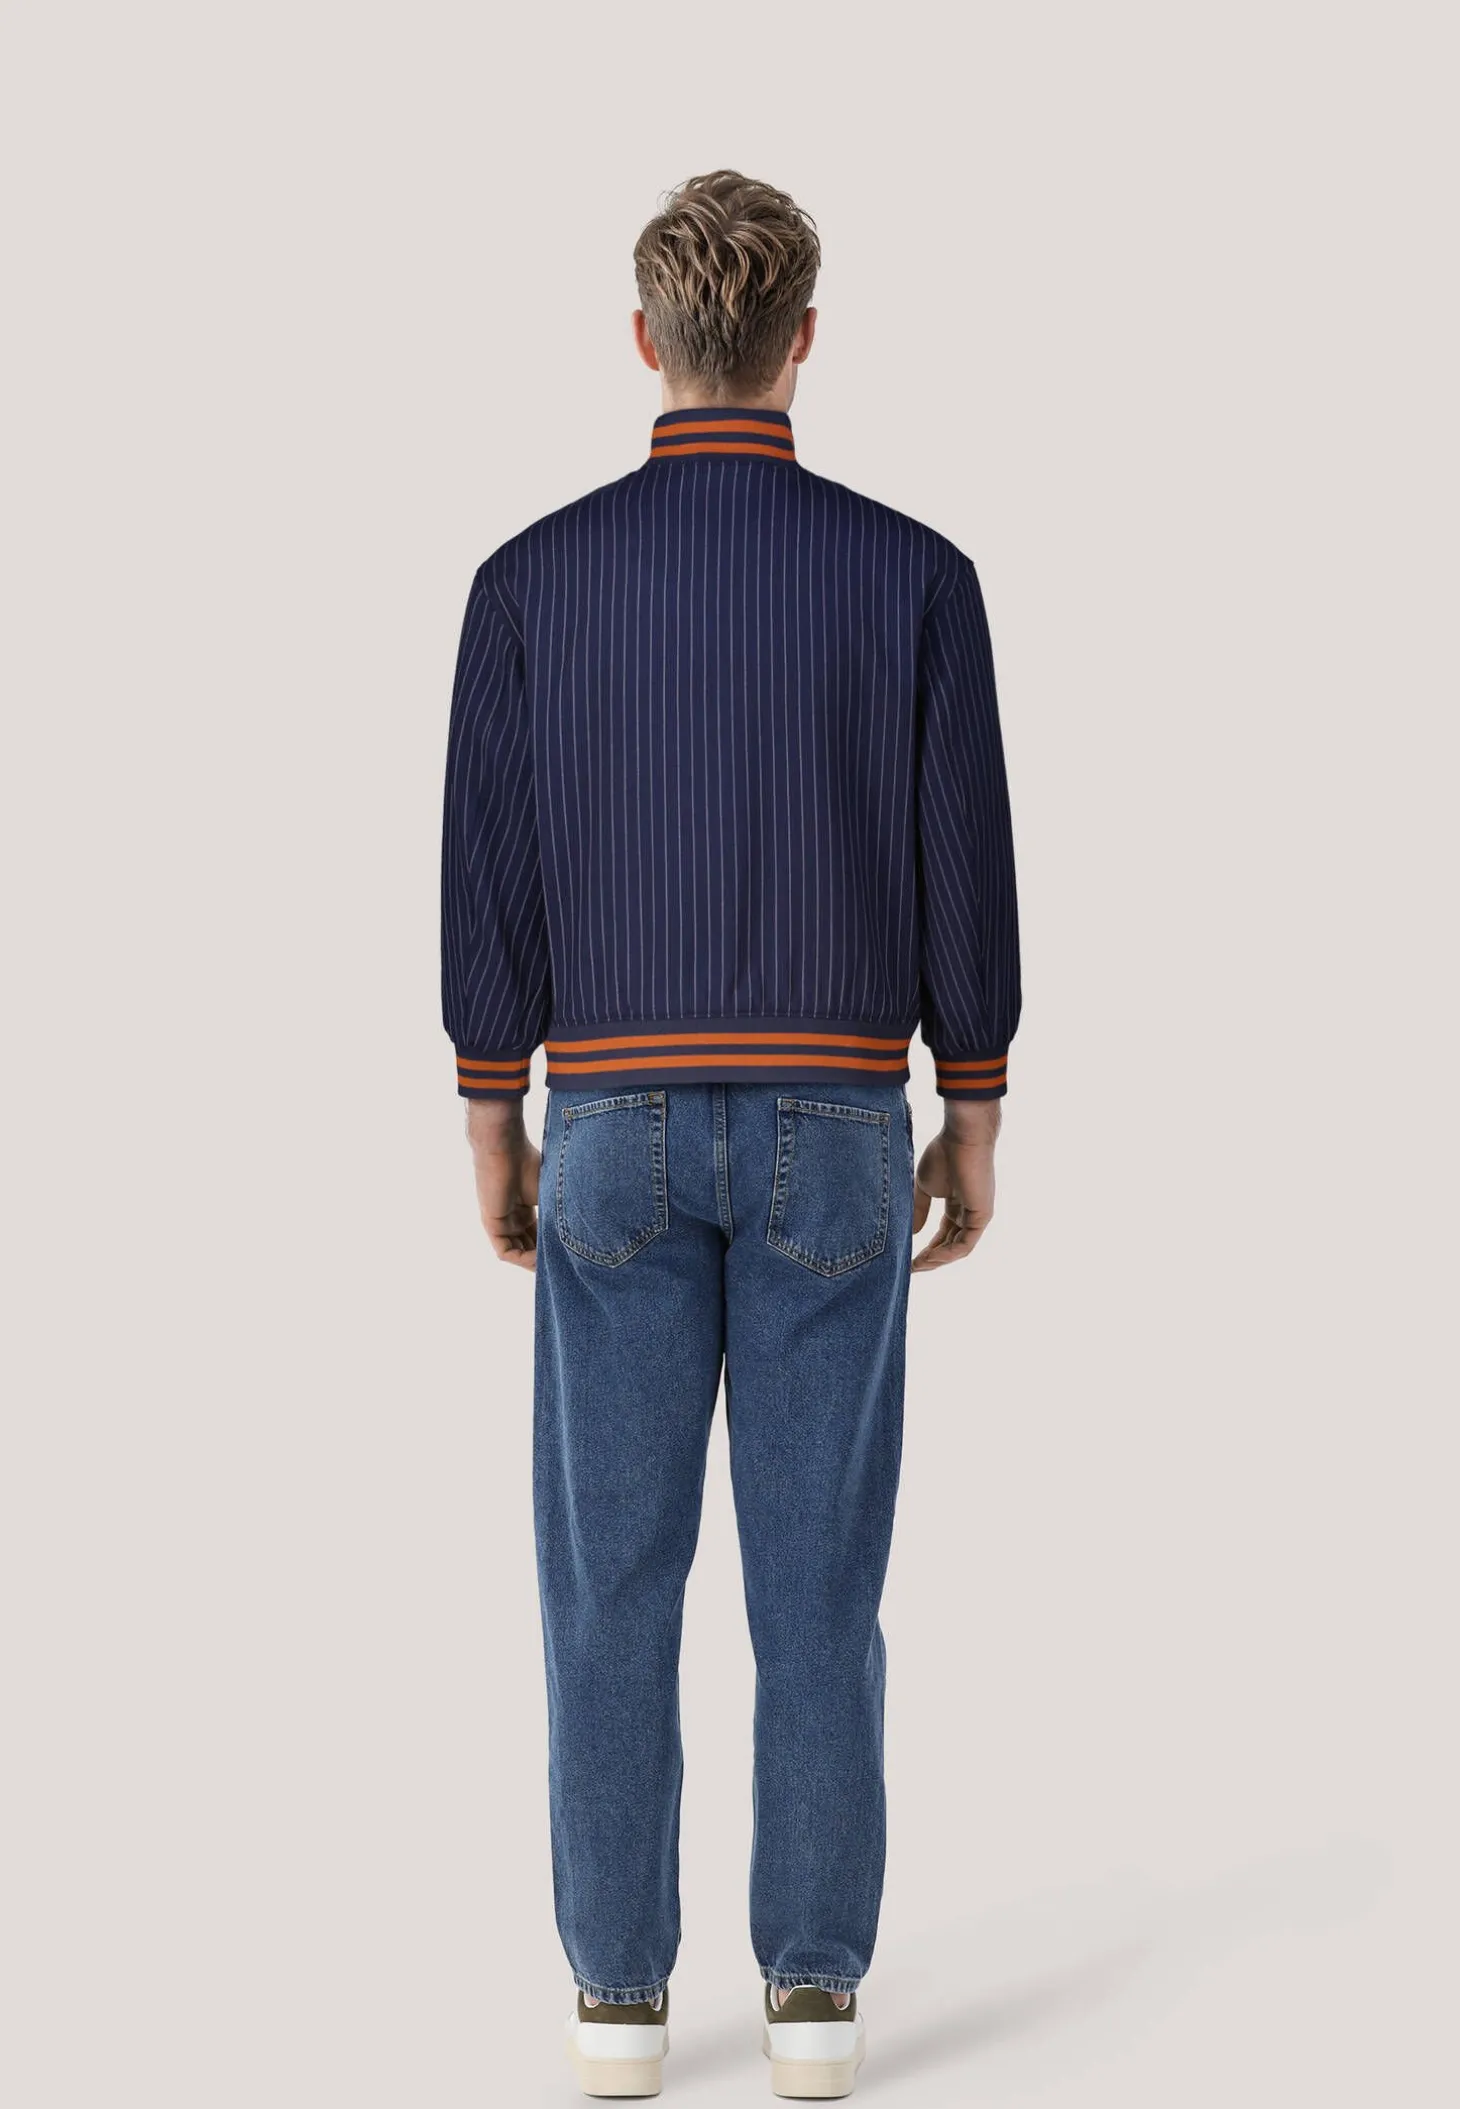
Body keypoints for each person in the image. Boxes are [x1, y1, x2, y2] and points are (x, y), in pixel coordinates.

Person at [440, 168, 1020, 2100]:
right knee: (819, 1590)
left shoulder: (530, 582)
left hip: (605, 1119)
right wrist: (976, 1108)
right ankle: (815, 2001)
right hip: (841, 1121)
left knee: (607, 1585)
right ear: (805, 341)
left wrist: (492, 1118)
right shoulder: (915, 577)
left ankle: (618, 2002)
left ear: (643, 340)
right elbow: (964, 862)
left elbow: (488, 876)